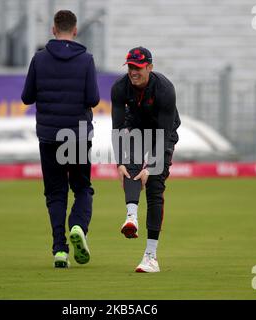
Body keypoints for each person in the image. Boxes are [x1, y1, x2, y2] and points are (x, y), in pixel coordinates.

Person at [21, 10, 100, 268]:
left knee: (55, 194)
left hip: (48, 136)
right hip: (76, 136)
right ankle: (77, 226)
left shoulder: (39, 59)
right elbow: (93, 99)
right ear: (75, 30)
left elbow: (26, 97)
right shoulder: (86, 60)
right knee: (82, 188)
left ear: (53, 30)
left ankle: (59, 250)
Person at [111, 47, 181, 272]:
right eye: (130, 67)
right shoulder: (120, 88)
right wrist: (119, 163)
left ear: (150, 67)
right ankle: (131, 217)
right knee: (129, 166)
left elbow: (163, 132)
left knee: (154, 186)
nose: (133, 72)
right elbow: (117, 128)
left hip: (163, 133)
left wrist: (150, 167)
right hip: (135, 129)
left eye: (138, 68)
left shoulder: (165, 89)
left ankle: (151, 257)